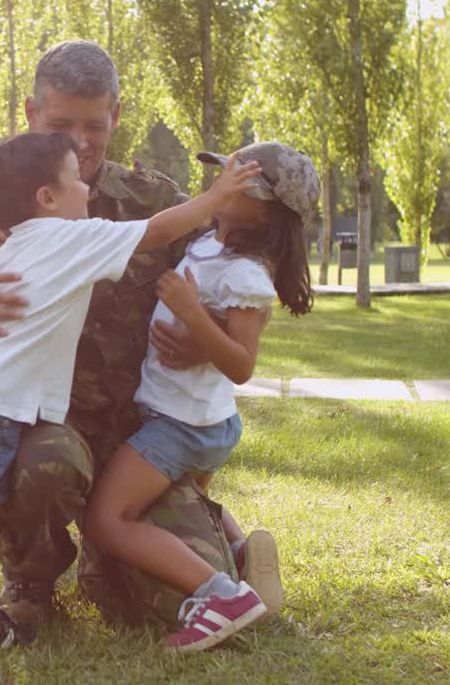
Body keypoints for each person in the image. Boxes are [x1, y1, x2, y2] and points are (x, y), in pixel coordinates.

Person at [0, 40, 284, 631]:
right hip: (45, 432)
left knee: (161, 607)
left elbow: (238, 263)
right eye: (60, 124)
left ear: (117, 117)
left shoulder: (152, 200)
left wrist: (207, 338)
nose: (79, 141)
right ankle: (32, 580)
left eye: (94, 125)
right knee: (48, 459)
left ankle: (203, 546)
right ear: (30, 115)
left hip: (140, 444)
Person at [84, 142, 318, 653]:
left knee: (107, 518)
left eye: (234, 181)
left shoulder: (248, 275)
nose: (218, 187)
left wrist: (191, 315)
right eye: (221, 176)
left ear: (265, 211)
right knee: (184, 503)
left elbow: (241, 364)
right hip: (182, 412)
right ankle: (236, 552)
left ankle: (220, 596)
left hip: (184, 425)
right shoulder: (213, 242)